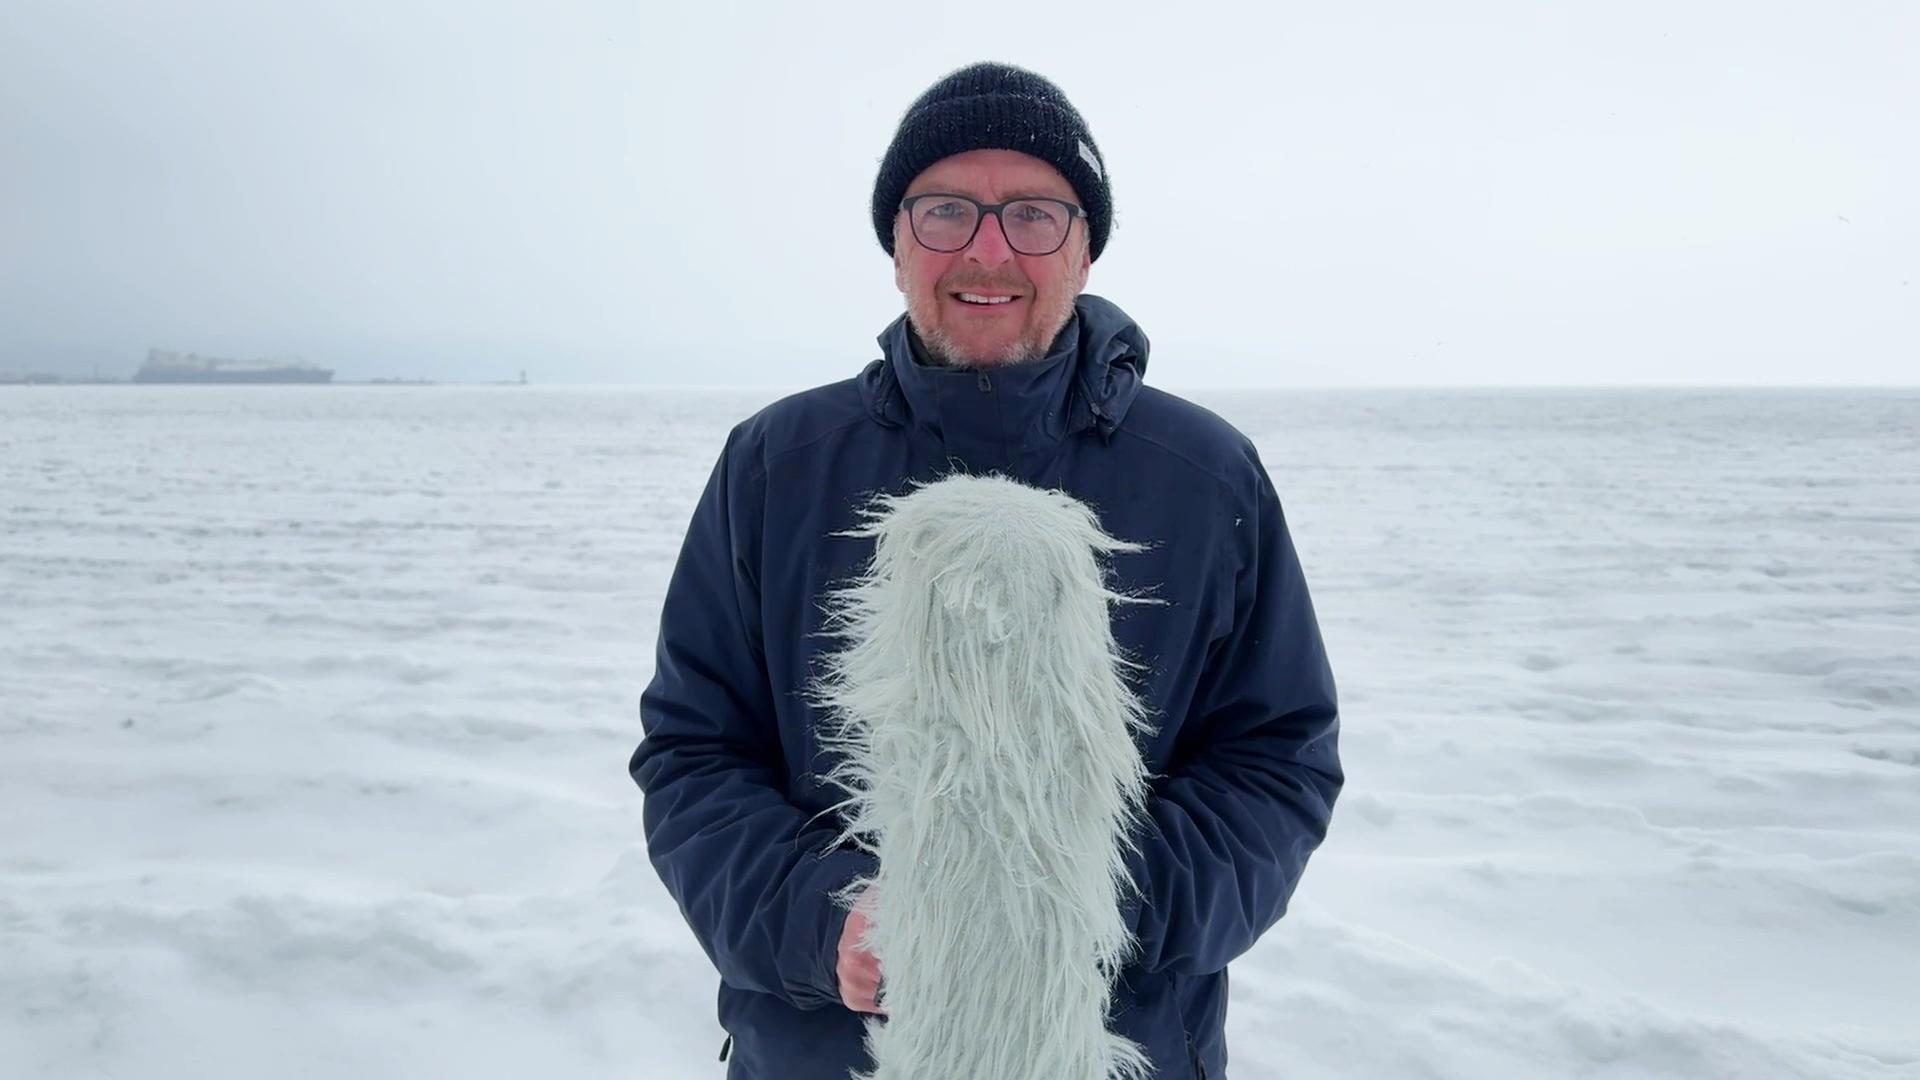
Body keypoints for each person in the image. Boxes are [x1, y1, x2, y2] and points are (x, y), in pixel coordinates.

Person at [630, 61, 1343, 1080]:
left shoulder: (1204, 473)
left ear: (1086, 247)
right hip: (824, 1052)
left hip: (1118, 1047)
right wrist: (817, 921)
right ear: (896, 244)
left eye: (1035, 215)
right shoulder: (776, 464)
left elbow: (1276, 759)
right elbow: (695, 752)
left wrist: (1087, 906)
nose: (988, 247)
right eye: (946, 210)